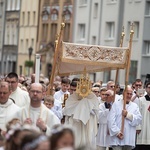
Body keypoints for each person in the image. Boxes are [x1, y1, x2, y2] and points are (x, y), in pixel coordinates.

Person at [107, 86, 142, 150]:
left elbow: (139, 119)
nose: (129, 96)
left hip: (129, 138)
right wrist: (117, 132)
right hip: (117, 138)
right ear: (123, 94)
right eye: (127, 93)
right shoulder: (116, 104)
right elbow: (110, 120)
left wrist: (128, 115)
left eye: (130, 94)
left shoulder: (135, 106)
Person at [135, 82, 150, 150]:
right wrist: (138, 127)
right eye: (149, 87)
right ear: (146, 89)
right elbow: (138, 114)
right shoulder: (141, 100)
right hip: (143, 126)